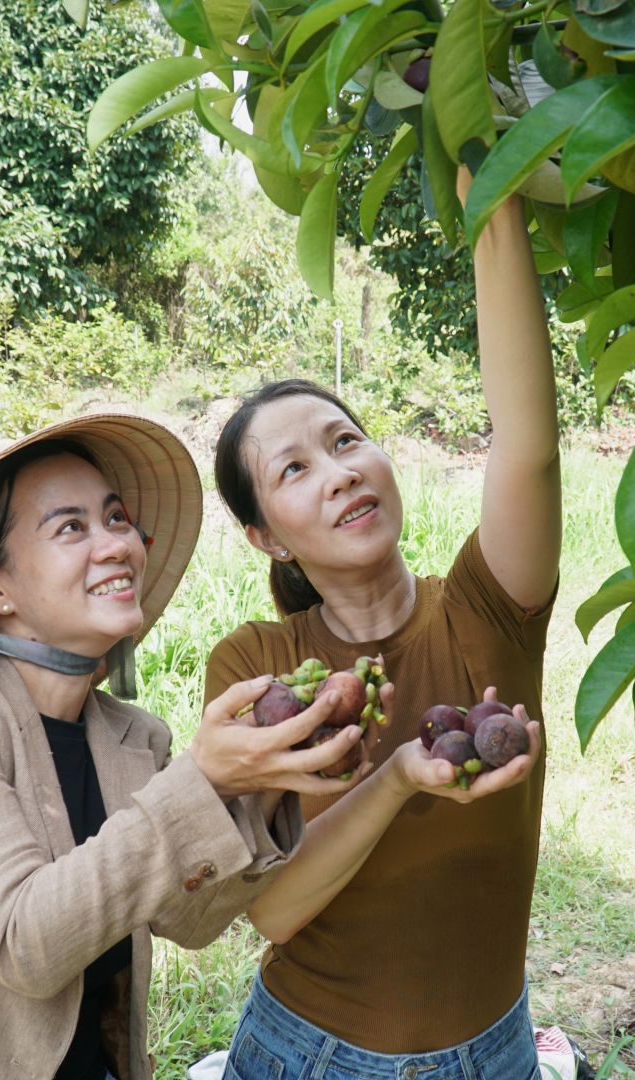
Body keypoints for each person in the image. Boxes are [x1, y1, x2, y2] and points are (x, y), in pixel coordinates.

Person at [0, 413, 368, 1080]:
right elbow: (23, 943)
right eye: (71, 527)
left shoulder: (132, 737)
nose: (117, 545)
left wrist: (268, 779)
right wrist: (205, 782)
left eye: (115, 519)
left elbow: (189, 919)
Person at [206, 184, 561, 1077]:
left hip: (498, 1052)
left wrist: (495, 195)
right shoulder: (258, 668)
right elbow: (275, 909)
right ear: (267, 536)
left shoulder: (485, 606)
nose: (339, 472)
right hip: (312, 1056)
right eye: (295, 468)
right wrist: (400, 776)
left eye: (347, 440)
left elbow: (528, 444)